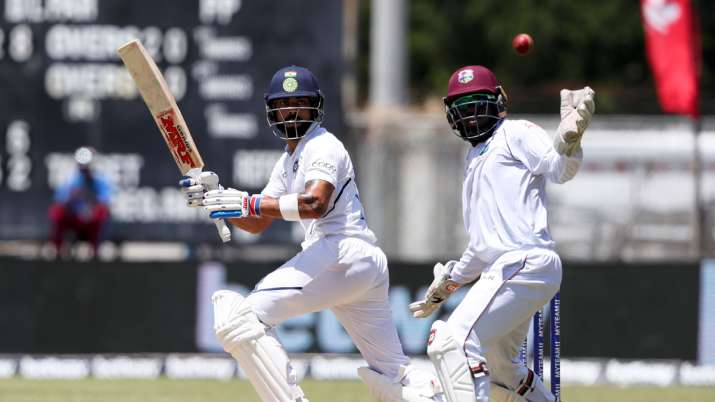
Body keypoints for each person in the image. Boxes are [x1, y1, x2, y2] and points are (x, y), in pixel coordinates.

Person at [180, 66, 444, 402]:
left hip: (341, 253)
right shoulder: (289, 159)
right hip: (358, 264)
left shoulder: (322, 146)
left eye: (300, 103)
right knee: (394, 373)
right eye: (283, 104)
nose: (291, 111)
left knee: (239, 319)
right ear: (270, 111)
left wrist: (246, 201)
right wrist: (217, 200)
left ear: (315, 106)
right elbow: (258, 221)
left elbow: (315, 203)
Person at [408, 66, 595, 402]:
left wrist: (570, 140)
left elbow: (557, 168)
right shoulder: (473, 157)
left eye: (476, 105)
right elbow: (482, 247)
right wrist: (447, 284)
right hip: (507, 269)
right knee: (499, 367)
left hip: (525, 262)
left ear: (497, 101)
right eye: (462, 109)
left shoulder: (516, 132)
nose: (470, 117)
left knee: (452, 341)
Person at [49, 146, 112, 258]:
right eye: (82, 166)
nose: (85, 169)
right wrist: (71, 197)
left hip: (92, 220)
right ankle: (57, 251)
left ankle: (95, 252)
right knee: (56, 211)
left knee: (101, 212)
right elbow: (60, 200)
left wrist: (92, 203)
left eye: (87, 166)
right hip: (74, 218)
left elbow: (106, 200)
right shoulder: (70, 178)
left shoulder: (100, 180)